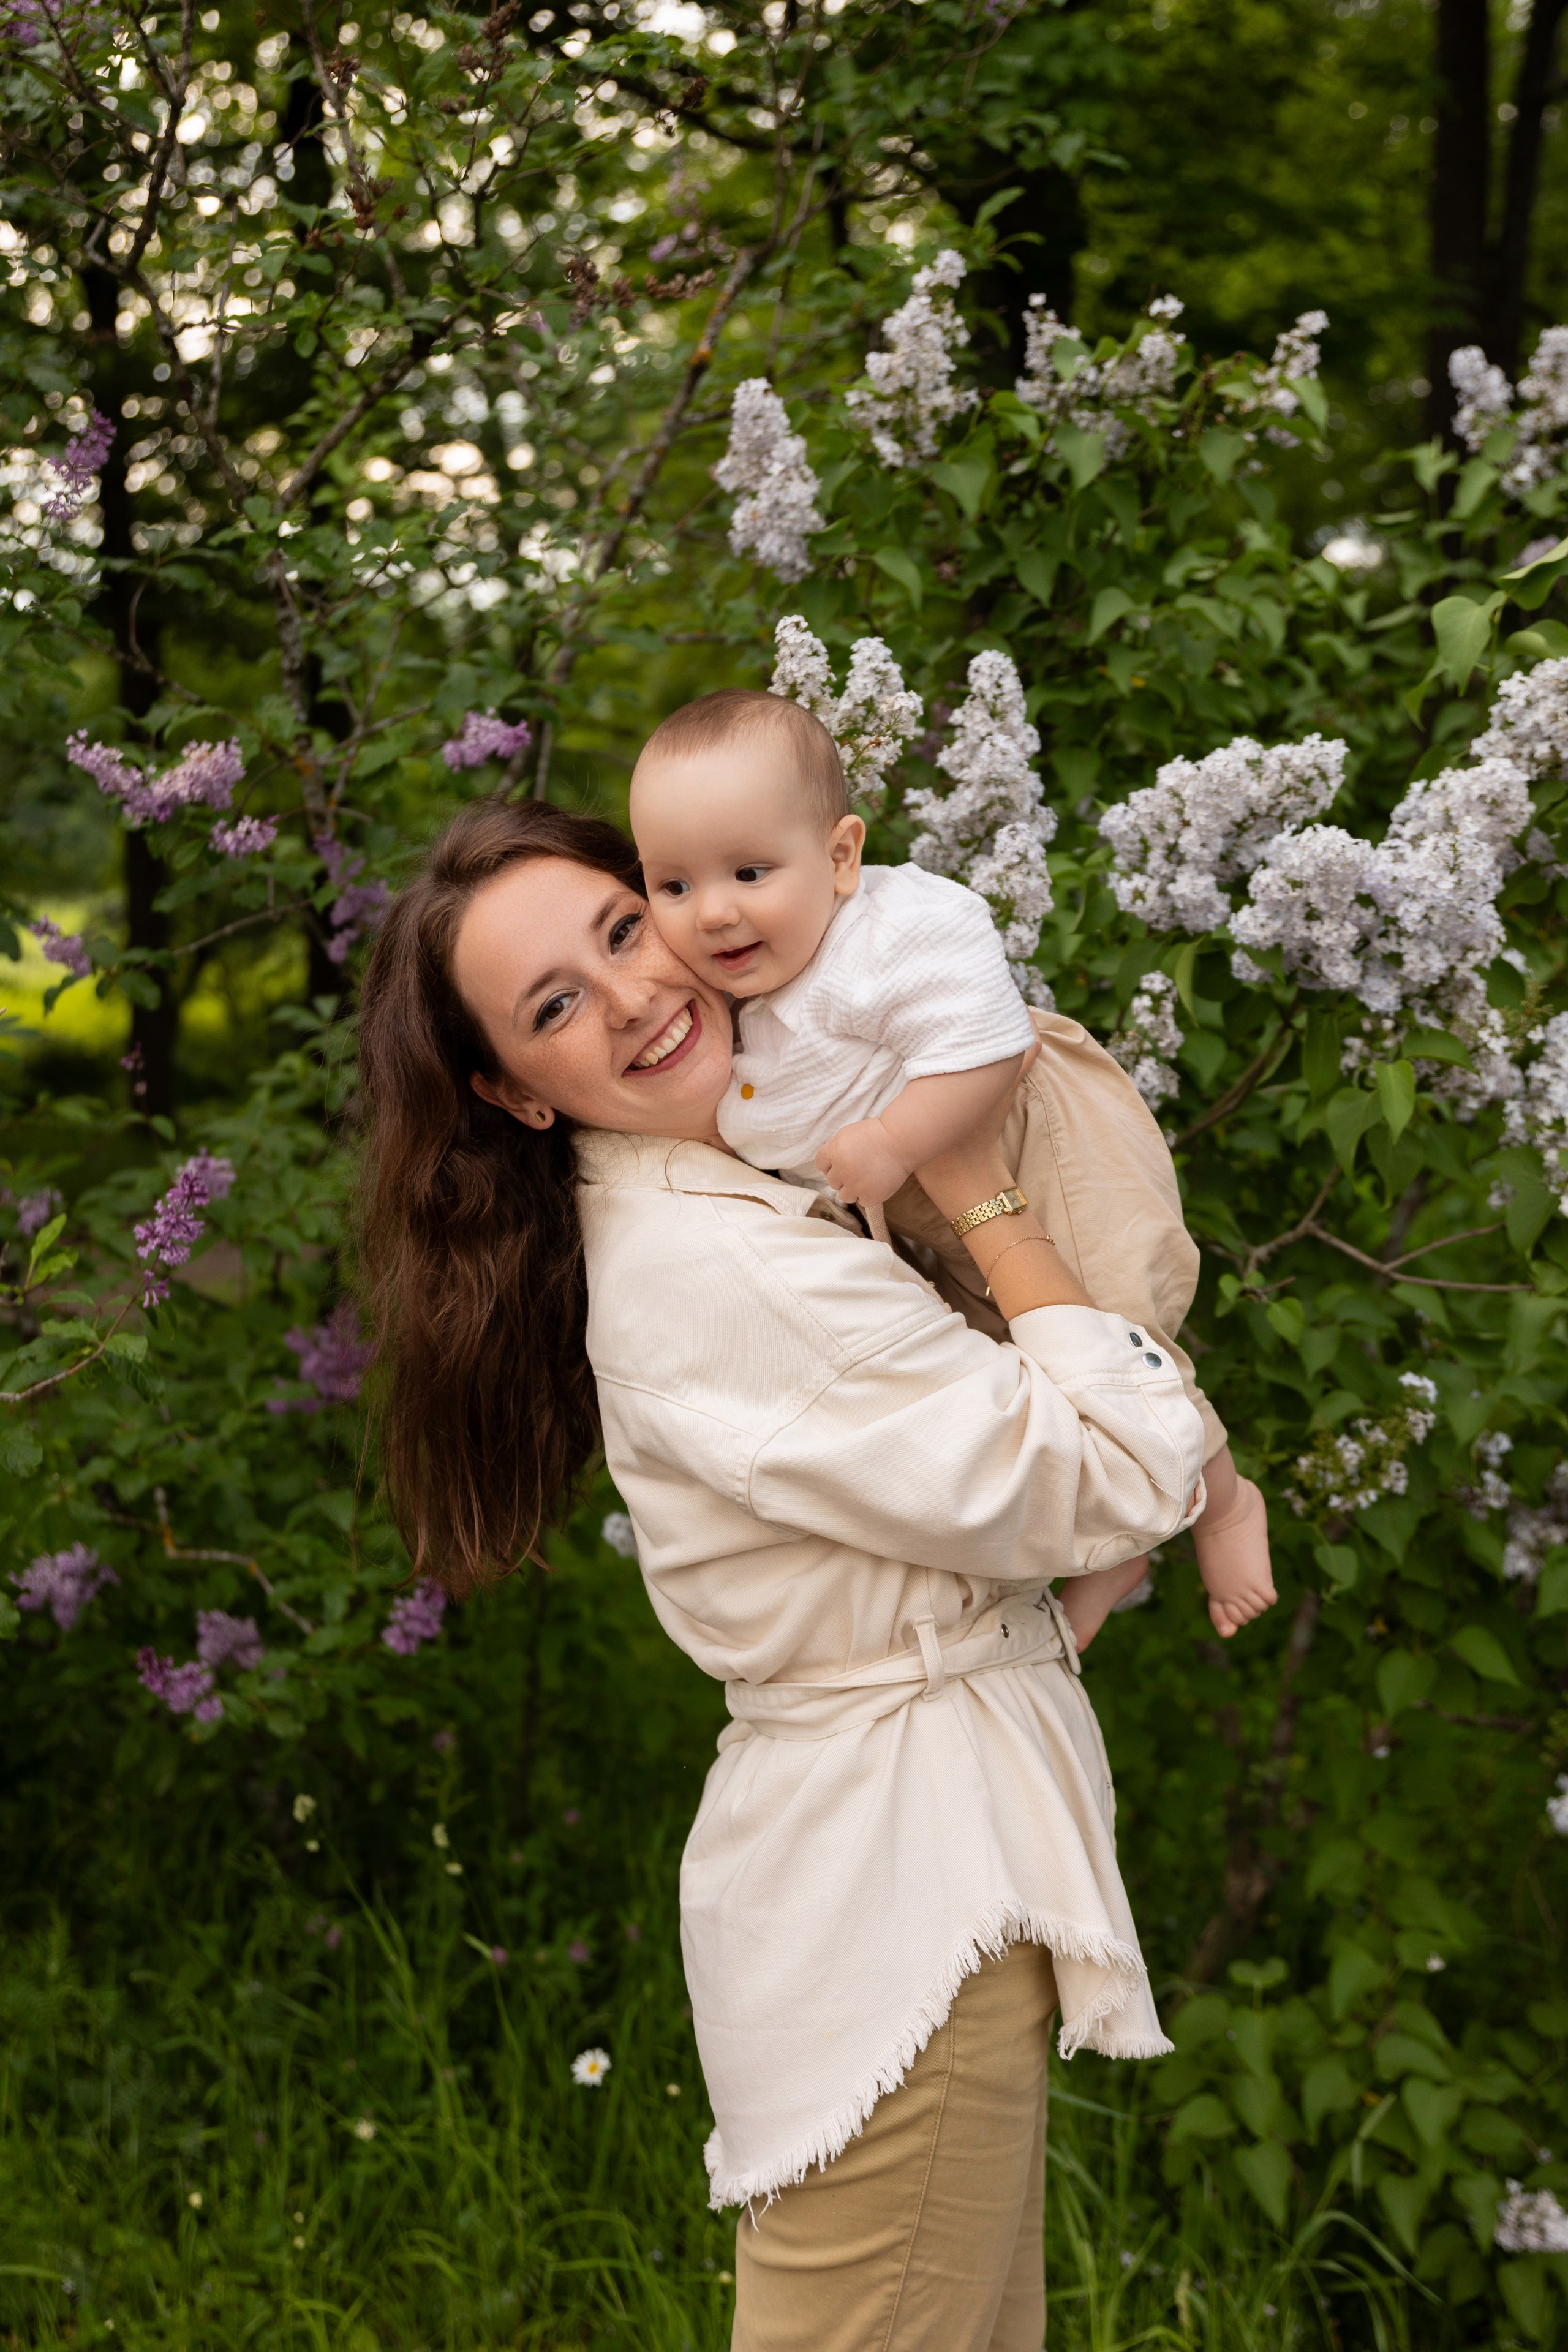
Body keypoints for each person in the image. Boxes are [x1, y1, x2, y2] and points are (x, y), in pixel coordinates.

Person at [358, 796, 1207, 2352]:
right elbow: (1118, 1474)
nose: (631, 996)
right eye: (555, 1006)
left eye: (623, 930)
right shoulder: (719, 1267)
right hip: (902, 1896)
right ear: (514, 1094)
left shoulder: (745, 1193)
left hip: (907, 1873)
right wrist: (983, 1189)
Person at [628, 687, 1274, 1649]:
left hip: (1029, 1143)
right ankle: (1122, 1548)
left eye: (750, 871)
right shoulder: (745, 988)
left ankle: (1223, 1504)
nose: (712, 913)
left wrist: (894, 1141)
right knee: (1016, 1369)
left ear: (842, 856)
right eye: (672, 887)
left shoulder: (894, 931)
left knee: (1105, 1330)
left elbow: (990, 1045)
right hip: (926, 1209)